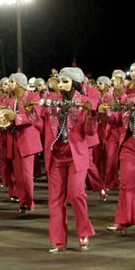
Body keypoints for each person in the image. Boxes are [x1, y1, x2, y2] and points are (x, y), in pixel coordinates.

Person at [42, 67, 97, 252]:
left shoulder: (84, 102)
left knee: (76, 194)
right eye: (60, 81)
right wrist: (31, 109)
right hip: (56, 154)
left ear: (74, 84)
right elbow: (37, 120)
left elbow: (90, 131)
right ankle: (58, 239)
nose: (61, 85)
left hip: (76, 155)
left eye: (66, 81)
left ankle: (84, 232)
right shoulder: (52, 101)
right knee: (55, 199)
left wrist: (91, 115)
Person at [101, 72, 135, 235]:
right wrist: (107, 113)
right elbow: (117, 120)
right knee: (126, 184)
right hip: (129, 145)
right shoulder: (128, 100)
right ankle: (123, 221)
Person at [3, 72, 43, 213]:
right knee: (18, 176)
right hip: (13, 139)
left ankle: (29, 202)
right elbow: (7, 117)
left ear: (19, 83)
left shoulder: (33, 97)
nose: (9, 84)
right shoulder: (10, 100)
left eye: (11, 81)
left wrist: (16, 117)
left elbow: (34, 117)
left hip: (28, 140)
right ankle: (22, 201)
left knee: (27, 175)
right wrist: (3, 121)